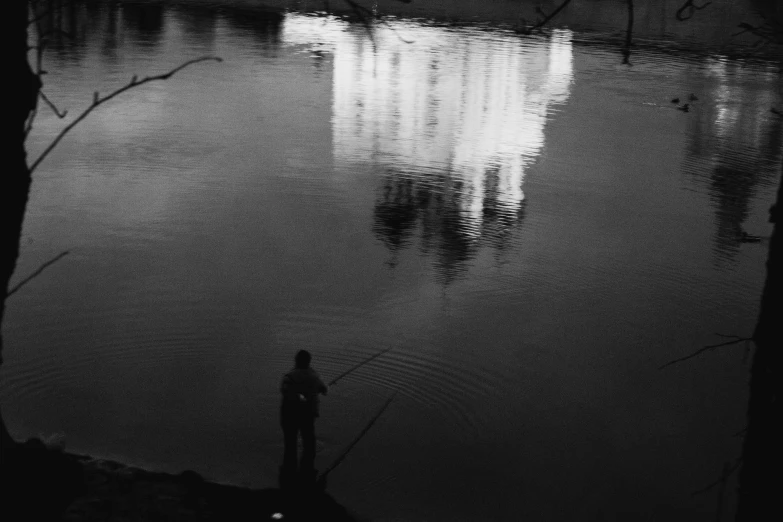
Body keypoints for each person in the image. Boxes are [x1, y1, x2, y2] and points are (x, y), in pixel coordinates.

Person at [280, 350, 328, 480]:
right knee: (309, 443)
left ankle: (288, 476)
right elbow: (324, 390)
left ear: (296, 360)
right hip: (308, 414)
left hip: (290, 415)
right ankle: (308, 474)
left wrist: (299, 396)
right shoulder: (314, 376)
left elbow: (285, 392)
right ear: (309, 361)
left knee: (290, 445)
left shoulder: (289, 376)